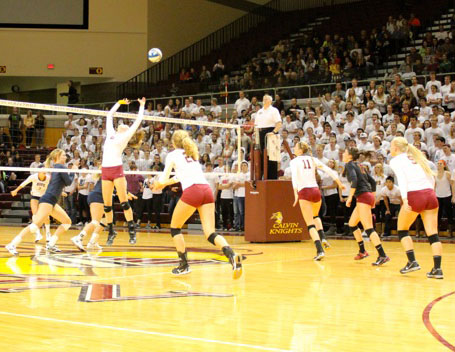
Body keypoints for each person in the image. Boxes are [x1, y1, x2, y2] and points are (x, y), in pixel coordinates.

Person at [152, 130, 242, 278]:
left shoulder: (172, 155)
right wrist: (163, 184)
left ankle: (184, 265)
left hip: (193, 191)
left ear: (173, 143)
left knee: (175, 227)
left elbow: (163, 179)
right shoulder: (191, 155)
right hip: (206, 190)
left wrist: (157, 184)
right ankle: (232, 254)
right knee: (210, 233)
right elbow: (178, 178)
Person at [5, 149, 78, 255]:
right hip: (48, 200)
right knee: (35, 225)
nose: (65, 157)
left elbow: (58, 184)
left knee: (67, 222)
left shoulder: (57, 168)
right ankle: (12, 244)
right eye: (63, 155)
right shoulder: (60, 167)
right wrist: (74, 170)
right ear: (57, 156)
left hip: (51, 201)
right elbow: (68, 182)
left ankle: (51, 244)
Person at [389, 137, 443, 279]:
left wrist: (405, 199)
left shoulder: (395, 161)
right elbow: (431, 177)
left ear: (396, 147)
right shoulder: (417, 156)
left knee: (402, 229)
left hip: (414, 194)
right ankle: (437, 269)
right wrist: (430, 193)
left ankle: (412, 261)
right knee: (433, 234)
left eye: (390, 146)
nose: (389, 149)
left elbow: (401, 179)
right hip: (430, 194)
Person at [101, 98, 145, 246]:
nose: (123, 124)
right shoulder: (111, 133)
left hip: (117, 170)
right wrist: (119, 103)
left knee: (124, 202)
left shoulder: (125, 136)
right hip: (105, 171)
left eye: (125, 125)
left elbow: (138, 120)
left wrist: (142, 106)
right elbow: (109, 115)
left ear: (127, 130)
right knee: (107, 205)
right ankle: (111, 231)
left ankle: (132, 231)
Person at [291, 142, 343, 260]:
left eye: (295, 147)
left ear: (300, 150)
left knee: (310, 224)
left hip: (304, 191)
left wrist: (295, 195)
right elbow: (328, 169)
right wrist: (339, 183)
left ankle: (320, 250)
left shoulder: (295, 161)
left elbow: (294, 179)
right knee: (315, 216)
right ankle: (323, 237)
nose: (293, 148)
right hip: (316, 191)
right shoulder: (312, 159)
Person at [343, 147, 390, 266]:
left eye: (345, 152)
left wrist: (349, 197)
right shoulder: (359, 165)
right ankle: (362, 251)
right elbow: (373, 182)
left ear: (349, 156)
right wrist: (373, 198)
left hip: (363, 197)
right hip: (366, 196)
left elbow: (354, 180)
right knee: (352, 224)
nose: (343, 153)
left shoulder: (349, 164)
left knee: (368, 228)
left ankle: (383, 255)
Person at [71, 170, 138, 252]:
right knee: (95, 221)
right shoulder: (109, 175)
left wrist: (127, 193)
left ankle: (93, 241)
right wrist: (126, 193)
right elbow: (118, 188)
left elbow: (117, 190)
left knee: (105, 220)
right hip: (98, 197)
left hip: (100, 198)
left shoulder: (111, 176)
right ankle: (79, 238)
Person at [10, 166, 52, 243]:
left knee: (46, 216)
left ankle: (48, 233)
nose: (44, 172)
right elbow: (24, 183)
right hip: (35, 196)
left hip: (44, 197)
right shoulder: (33, 177)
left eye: (45, 170)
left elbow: (53, 186)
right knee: (35, 216)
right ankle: (38, 233)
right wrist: (15, 190)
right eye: (43, 170)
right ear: (39, 171)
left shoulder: (48, 178)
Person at [254, 94, 282, 180]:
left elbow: (279, 123)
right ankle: (262, 176)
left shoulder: (274, 110)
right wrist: (255, 133)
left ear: (270, 101)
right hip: (260, 132)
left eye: (266, 99)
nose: (264, 101)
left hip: (270, 132)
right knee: (262, 155)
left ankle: (272, 178)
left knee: (271, 156)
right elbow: (256, 125)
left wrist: (273, 132)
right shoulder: (259, 111)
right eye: (263, 99)